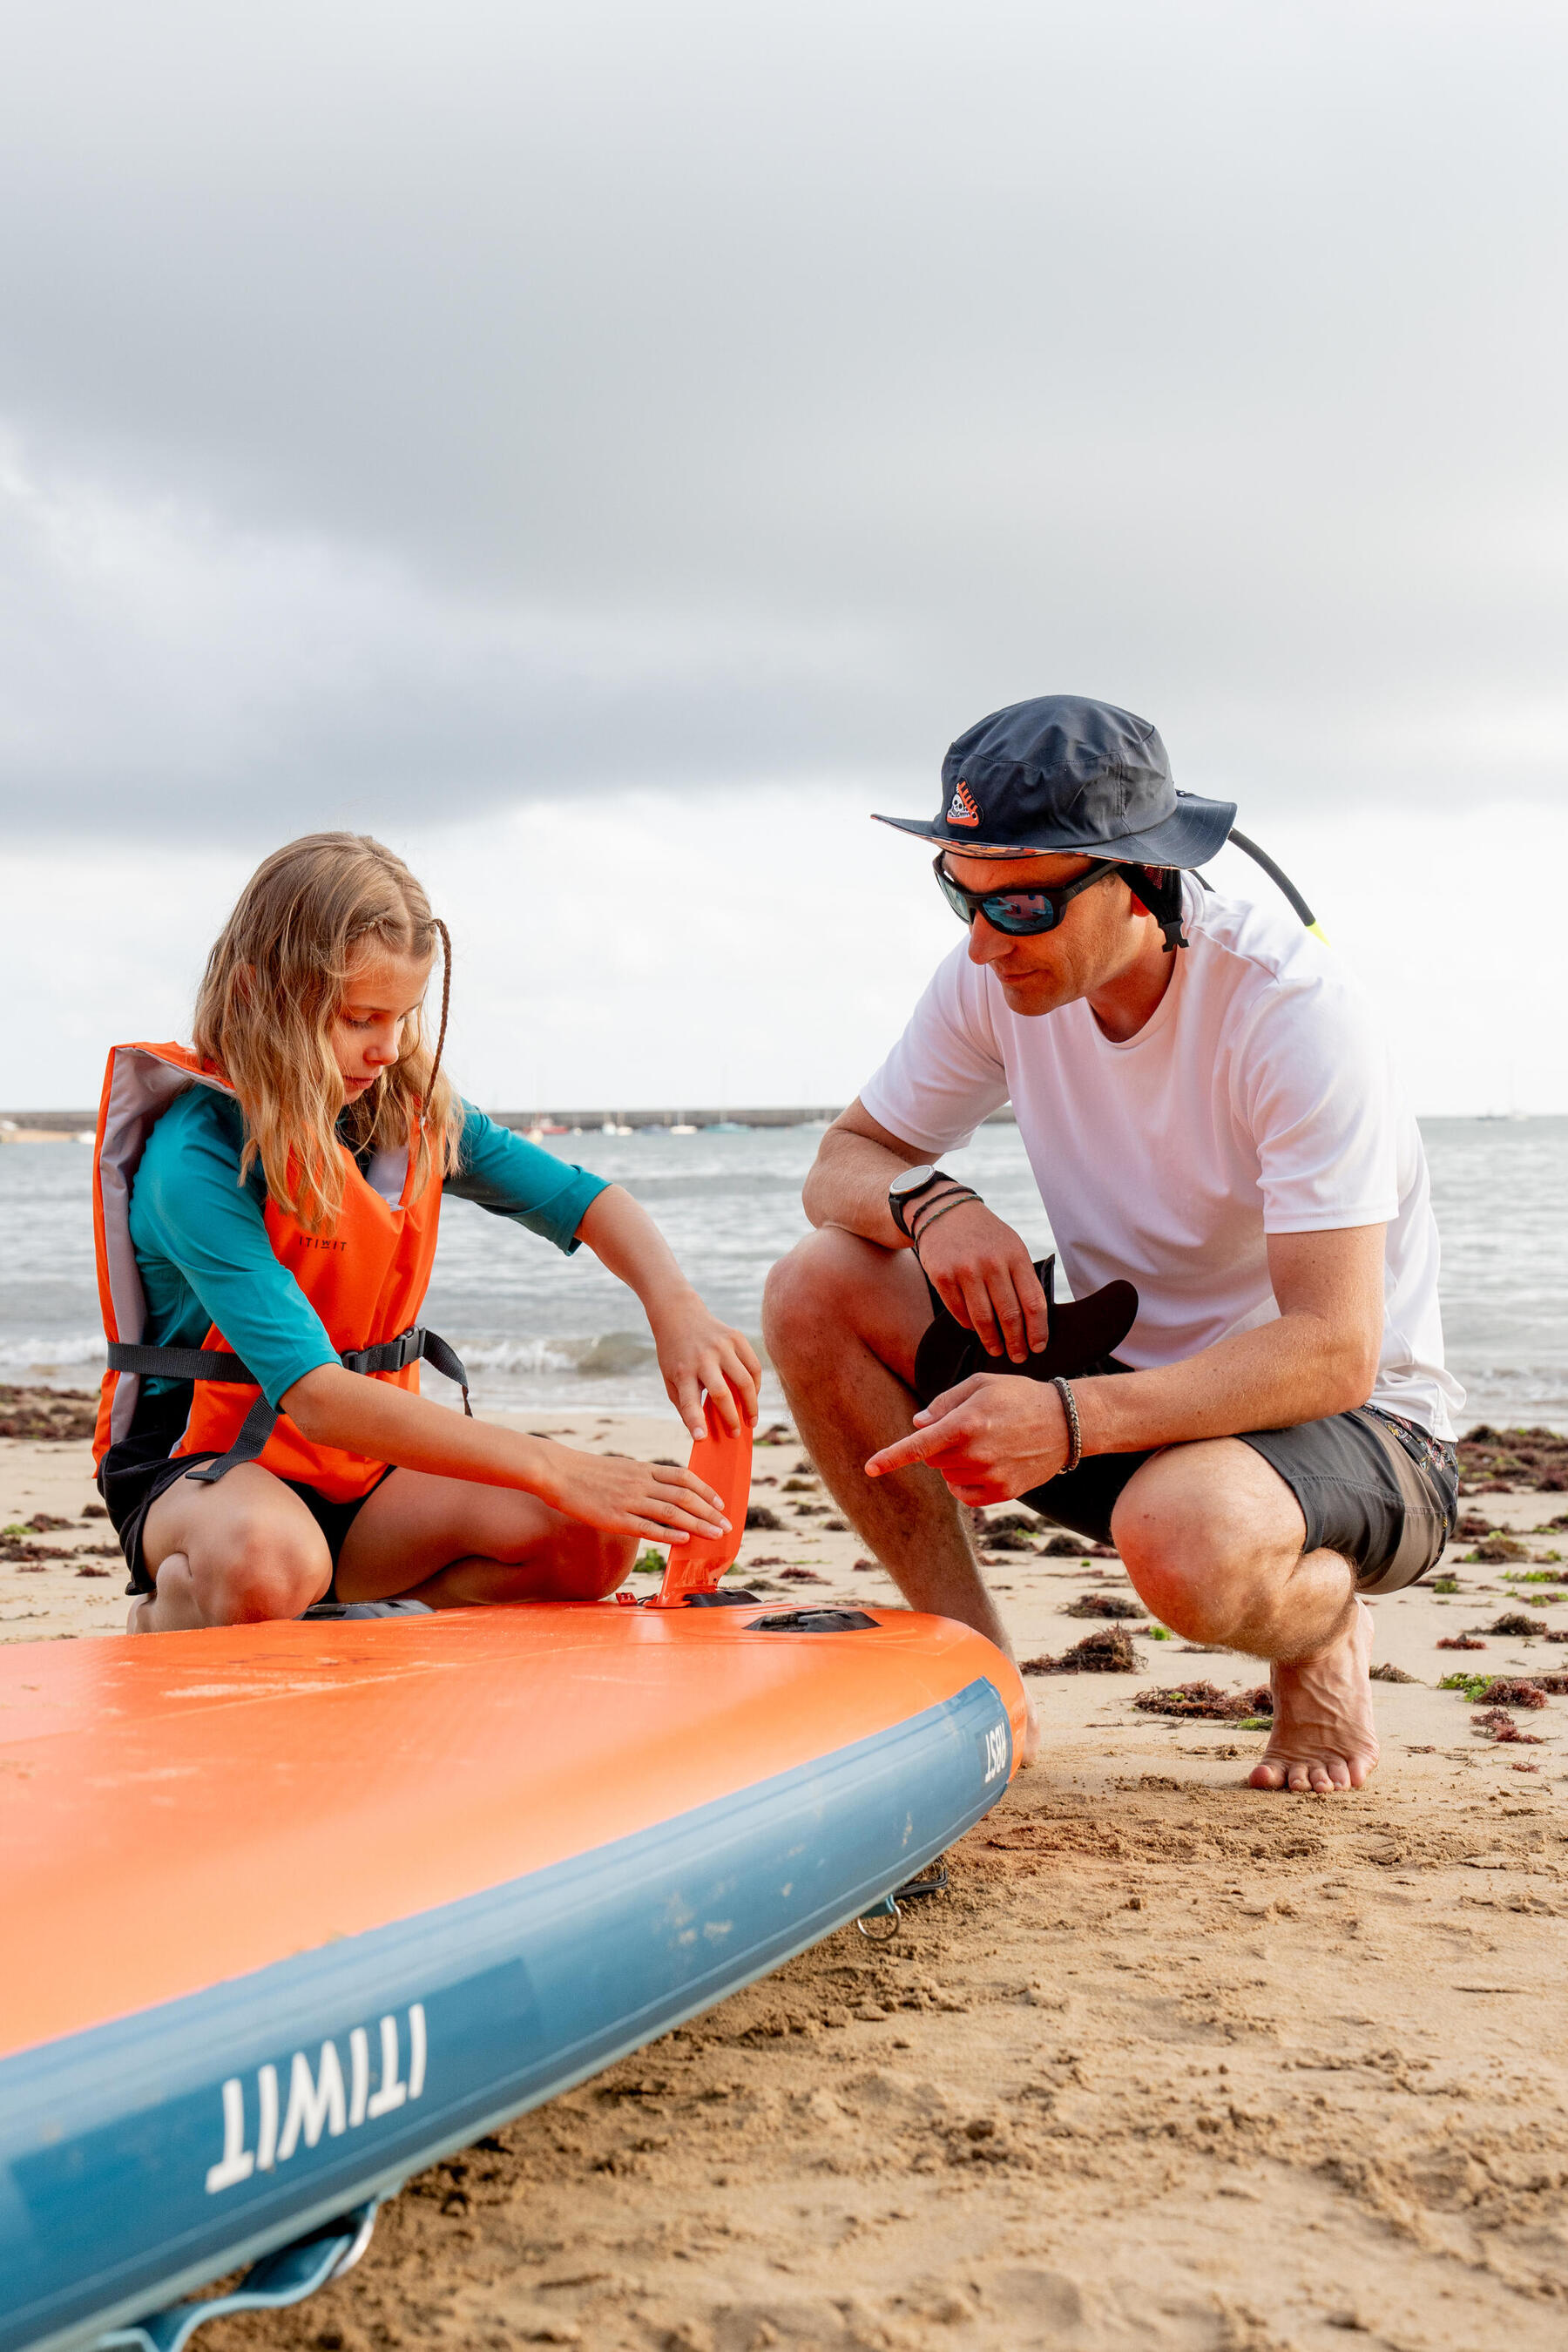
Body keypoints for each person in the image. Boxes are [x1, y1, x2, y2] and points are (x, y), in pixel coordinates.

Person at [763, 695, 1460, 1793]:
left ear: (1137, 882)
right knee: (817, 1286)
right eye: (961, 892)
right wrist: (932, 1204)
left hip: (1349, 1425)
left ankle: (1322, 1633)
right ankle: (978, 1677)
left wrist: (1068, 1417)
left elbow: (1334, 1348)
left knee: (1183, 1539)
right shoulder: (993, 976)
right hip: (1123, 1383)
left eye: (1024, 904)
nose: (987, 942)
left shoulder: (1293, 1012)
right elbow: (840, 1164)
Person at [94, 832, 759, 1632]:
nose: (388, 1048)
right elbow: (320, 1399)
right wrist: (556, 1464)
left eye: (404, 1017)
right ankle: (176, 1612)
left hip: (363, 1474)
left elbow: (589, 1202)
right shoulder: (192, 1159)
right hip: (205, 1477)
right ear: (254, 994)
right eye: (358, 1018)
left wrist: (676, 1307)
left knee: (592, 1538)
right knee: (271, 1563)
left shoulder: (407, 1114)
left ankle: (348, 1620)